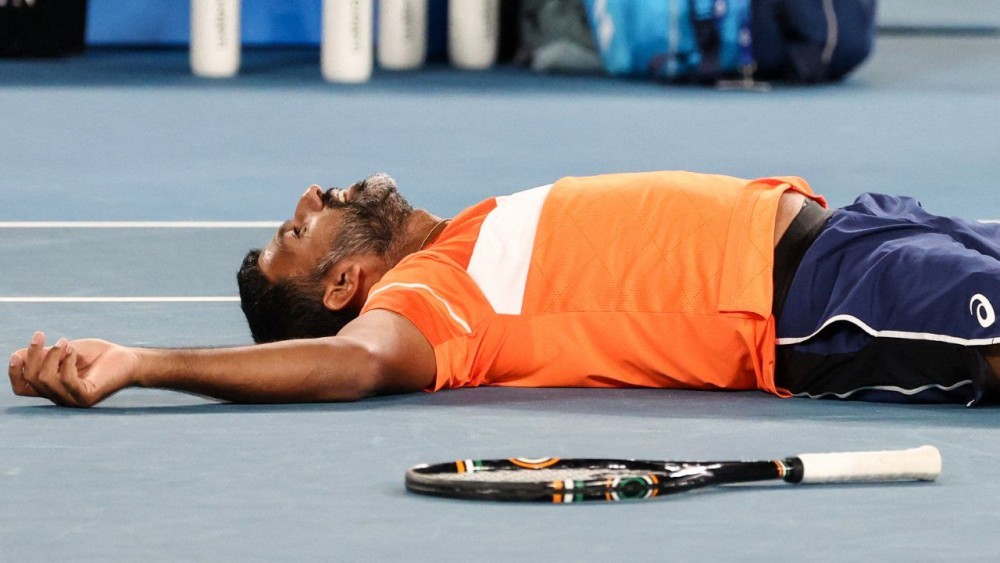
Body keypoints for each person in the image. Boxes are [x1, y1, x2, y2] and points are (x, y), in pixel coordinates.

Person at [9, 171, 1000, 408]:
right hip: (824, 299)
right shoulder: (432, 293)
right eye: (297, 232)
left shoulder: (467, 231)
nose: (311, 195)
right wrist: (144, 361)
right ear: (348, 282)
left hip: (865, 226)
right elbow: (355, 362)